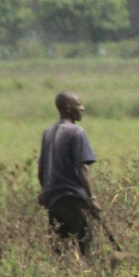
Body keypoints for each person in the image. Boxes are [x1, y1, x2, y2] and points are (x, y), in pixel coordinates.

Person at [38, 91, 99, 256]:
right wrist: (92, 198)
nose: (82, 108)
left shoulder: (48, 133)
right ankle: (87, 272)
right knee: (86, 246)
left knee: (60, 250)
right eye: (78, 105)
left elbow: (42, 170)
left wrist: (45, 190)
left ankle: (63, 273)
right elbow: (82, 168)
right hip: (73, 199)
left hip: (54, 201)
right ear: (67, 108)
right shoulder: (77, 132)